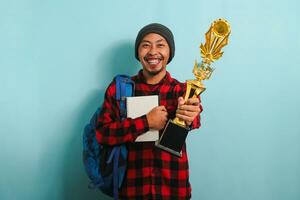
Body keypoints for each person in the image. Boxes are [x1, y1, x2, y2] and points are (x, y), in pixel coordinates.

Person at [96, 23, 202, 200]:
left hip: (173, 189)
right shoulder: (119, 89)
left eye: (160, 45)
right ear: (138, 53)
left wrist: (191, 115)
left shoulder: (182, 91)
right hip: (132, 190)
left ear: (170, 52)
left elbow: (195, 118)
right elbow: (102, 134)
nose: (153, 51)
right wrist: (146, 122)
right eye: (146, 45)